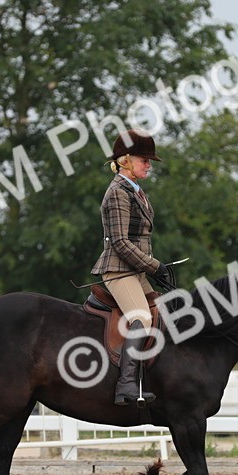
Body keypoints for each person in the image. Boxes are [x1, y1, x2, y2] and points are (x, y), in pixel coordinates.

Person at [91, 130, 175, 406]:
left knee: (161, 312)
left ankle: (149, 378)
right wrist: (155, 267)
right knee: (142, 318)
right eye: (144, 160)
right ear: (126, 160)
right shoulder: (118, 193)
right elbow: (120, 242)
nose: (149, 165)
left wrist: (155, 269)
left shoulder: (135, 191)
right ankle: (126, 385)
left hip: (135, 270)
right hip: (119, 269)